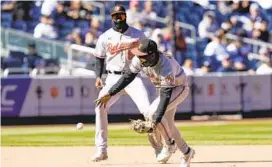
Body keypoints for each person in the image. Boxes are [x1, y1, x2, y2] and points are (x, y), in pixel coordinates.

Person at [94, 38, 195, 166]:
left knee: (152, 113)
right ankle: (187, 152)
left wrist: (155, 120)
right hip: (163, 88)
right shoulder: (140, 59)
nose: (138, 57)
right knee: (168, 125)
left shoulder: (165, 64)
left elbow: (165, 95)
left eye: (142, 55)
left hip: (178, 88)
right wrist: (111, 92)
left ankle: (170, 144)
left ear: (152, 55)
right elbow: (127, 77)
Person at [91, 5, 163, 162]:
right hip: (112, 78)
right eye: (115, 16)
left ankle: (159, 149)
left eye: (121, 16)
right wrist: (98, 76)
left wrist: (151, 73)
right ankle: (101, 150)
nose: (118, 19)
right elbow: (99, 57)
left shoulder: (137, 35)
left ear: (125, 16)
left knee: (148, 112)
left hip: (134, 78)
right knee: (100, 107)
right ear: (111, 18)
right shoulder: (105, 36)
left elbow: (149, 55)